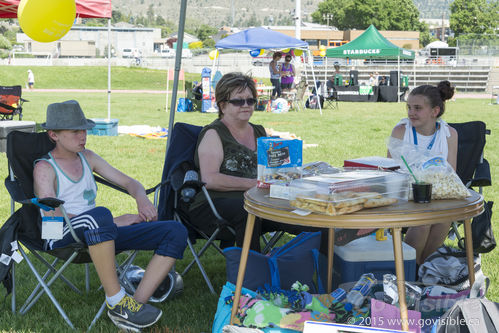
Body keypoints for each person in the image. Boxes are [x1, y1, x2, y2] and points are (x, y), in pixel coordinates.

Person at [33, 100, 188, 332]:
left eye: (84, 129)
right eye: (75, 131)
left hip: (98, 234)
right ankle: (117, 301)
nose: (83, 136)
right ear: (54, 134)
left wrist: (141, 199)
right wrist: (115, 220)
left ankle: (133, 307)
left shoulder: (88, 157)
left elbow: (129, 182)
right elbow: (51, 213)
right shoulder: (45, 167)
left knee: (175, 231)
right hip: (60, 234)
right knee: (100, 215)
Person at [187, 72, 327, 251]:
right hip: (213, 206)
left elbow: (274, 170)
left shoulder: (260, 132)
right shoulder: (213, 134)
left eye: (250, 100)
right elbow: (210, 179)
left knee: (309, 210)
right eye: (238, 101)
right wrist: (256, 184)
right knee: (247, 211)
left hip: (260, 201)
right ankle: (253, 274)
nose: (246, 105)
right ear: (222, 105)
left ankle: (327, 268)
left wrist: (290, 174)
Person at [388, 81, 458, 265]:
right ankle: (409, 268)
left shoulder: (449, 134)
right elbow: (390, 170)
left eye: (417, 108)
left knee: (444, 220)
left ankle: (424, 266)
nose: (411, 112)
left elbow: (451, 173)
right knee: (423, 222)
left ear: (435, 111)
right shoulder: (401, 131)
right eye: (409, 107)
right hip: (406, 194)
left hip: (437, 195)